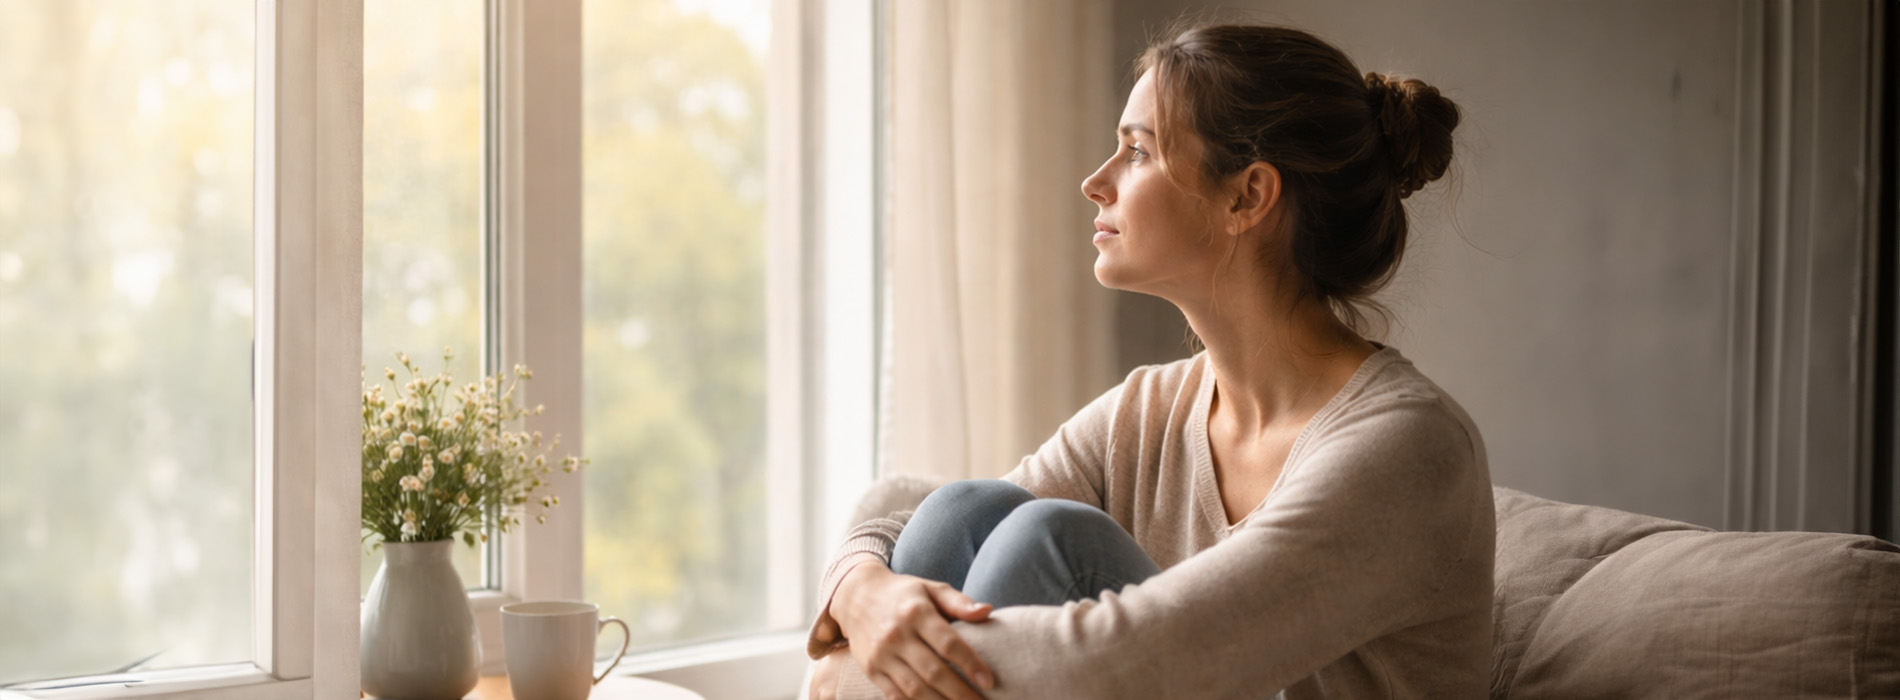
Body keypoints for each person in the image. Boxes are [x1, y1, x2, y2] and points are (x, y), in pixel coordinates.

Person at [807, 21, 1492, 700]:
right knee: (961, 513)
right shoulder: (1149, 411)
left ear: (1246, 196)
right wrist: (859, 587)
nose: (1094, 182)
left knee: (1049, 542)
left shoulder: (1408, 448)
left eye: (1137, 151)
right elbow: (911, 533)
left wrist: (851, 676)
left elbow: (1124, 661)